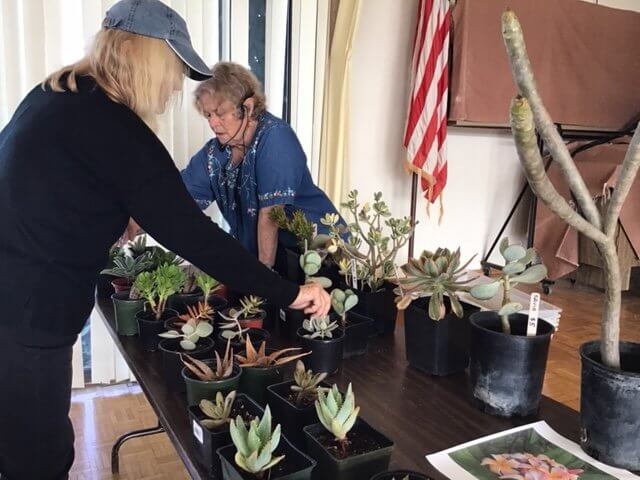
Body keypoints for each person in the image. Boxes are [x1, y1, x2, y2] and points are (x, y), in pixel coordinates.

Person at [0, 1, 329, 479]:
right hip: (26, 318)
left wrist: (114, 216)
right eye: (175, 68)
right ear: (147, 55)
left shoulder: (56, 95)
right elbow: (191, 231)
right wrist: (291, 292)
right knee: (40, 461)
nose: (176, 85)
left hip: (14, 303)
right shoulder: (115, 126)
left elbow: (60, 190)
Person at [180, 62, 343, 268]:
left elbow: (271, 217)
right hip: (268, 264)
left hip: (321, 257)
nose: (212, 123)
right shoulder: (214, 152)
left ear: (247, 107)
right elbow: (176, 199)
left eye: (220, 113)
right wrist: (133, 220)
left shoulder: (275, 137)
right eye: (208, 115)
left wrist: (264, 287)